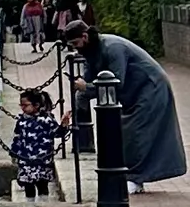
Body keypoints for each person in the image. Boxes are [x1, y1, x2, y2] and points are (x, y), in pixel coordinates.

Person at [59, 16, 188, 187]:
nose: (76, 48)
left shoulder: (113, 48)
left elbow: (116, 82)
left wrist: (86, 87)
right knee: (127, 133)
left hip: (150, 88)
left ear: (85, 36)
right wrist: (76, 107)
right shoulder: (90, 51)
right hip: (134, 92)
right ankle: (133, 177)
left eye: (76, 43)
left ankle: (135, 179)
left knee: (136, 133)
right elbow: (89, 78)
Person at [9, 87, 60, 198]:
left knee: (42, 185)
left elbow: (57, 133)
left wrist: (64, 125)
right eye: (21, 105)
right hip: (26, 160)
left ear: (36, 105)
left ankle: (43, 204)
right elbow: (17, 138)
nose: (22, 108)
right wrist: (14, 152)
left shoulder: (47, 120)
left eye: (25, 105)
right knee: (28, 186)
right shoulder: (21, 121)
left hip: (42, 160)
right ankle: (30, 203)